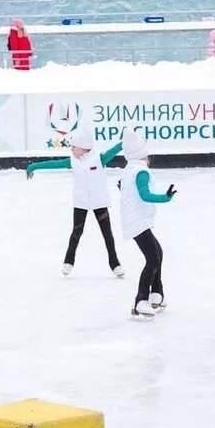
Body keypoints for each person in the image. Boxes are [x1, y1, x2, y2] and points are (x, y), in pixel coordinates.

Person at [26, 130, 125, 278]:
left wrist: (126, 139)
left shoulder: (99, 159)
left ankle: (115, 263)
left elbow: (116, 149)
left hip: (99, 202)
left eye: (73, 147)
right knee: (76, 232)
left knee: (107, 234)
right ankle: (68, 260)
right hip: (81, 202)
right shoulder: (73, 160)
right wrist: (33, 166)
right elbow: (54, 164)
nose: (71, 149)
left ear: (84, 147)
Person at [119, 129, 176, 320]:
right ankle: (140, 301)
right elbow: (144, 195)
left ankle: (156, 295)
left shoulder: (130, 169)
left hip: (136, 219)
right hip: (137, 221)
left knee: (157, 253)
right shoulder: (141, 172)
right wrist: (165, 198)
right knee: (152, 258)